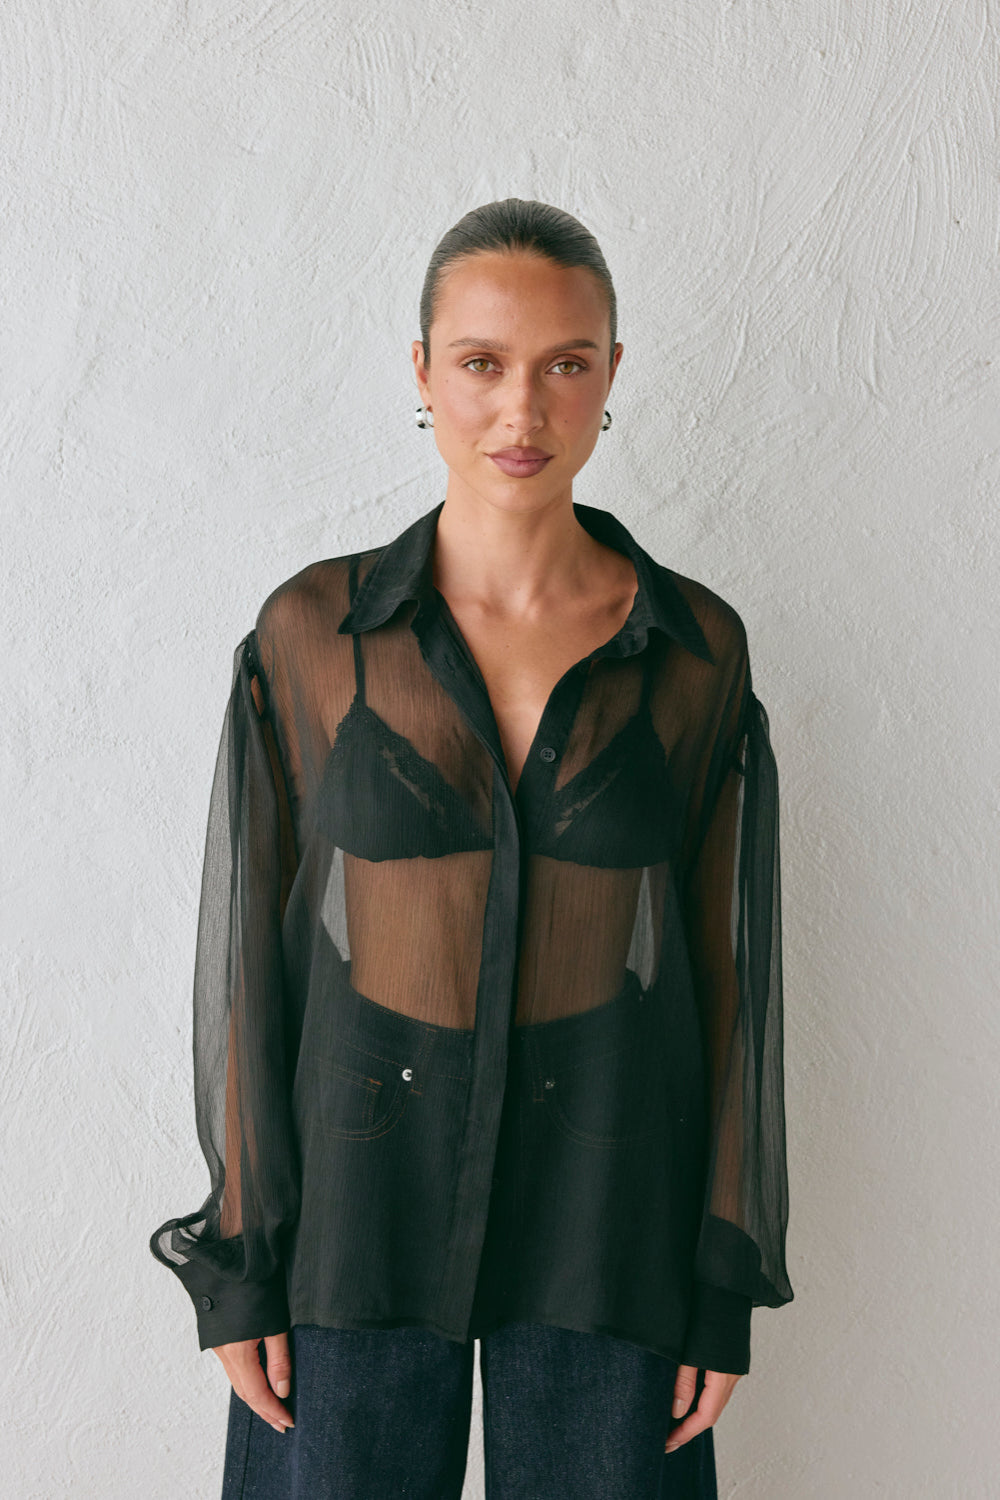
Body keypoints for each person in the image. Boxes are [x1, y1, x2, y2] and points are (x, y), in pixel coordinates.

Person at [149, 198, 793, 1499]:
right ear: (423, 371)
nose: (522, 409)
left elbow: (730, 977)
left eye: (566, 363)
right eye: (483, 362)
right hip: (356, 1200)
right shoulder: (314, 633)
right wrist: (243, 1262)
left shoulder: (693, 650)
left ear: (611, 375)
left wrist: (722, 1275)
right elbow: (253, 965)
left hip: (610, 1203)